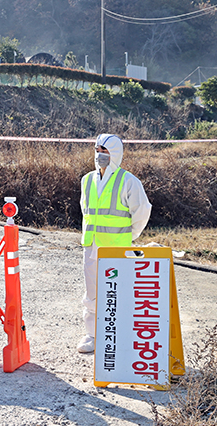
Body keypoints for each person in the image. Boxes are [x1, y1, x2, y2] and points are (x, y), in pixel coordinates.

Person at [77, 134, 151, 354]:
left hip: (117, 248)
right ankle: (92, 334)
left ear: (115, 154)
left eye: (105, 151)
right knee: (92, 293)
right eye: (97, 149)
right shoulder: (87, 180)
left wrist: (129, 236)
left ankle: (121, 333)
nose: (99, 154)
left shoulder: (128, 181)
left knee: (119, 292)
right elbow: (86, 211)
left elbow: (142, 211)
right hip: (91, 246)